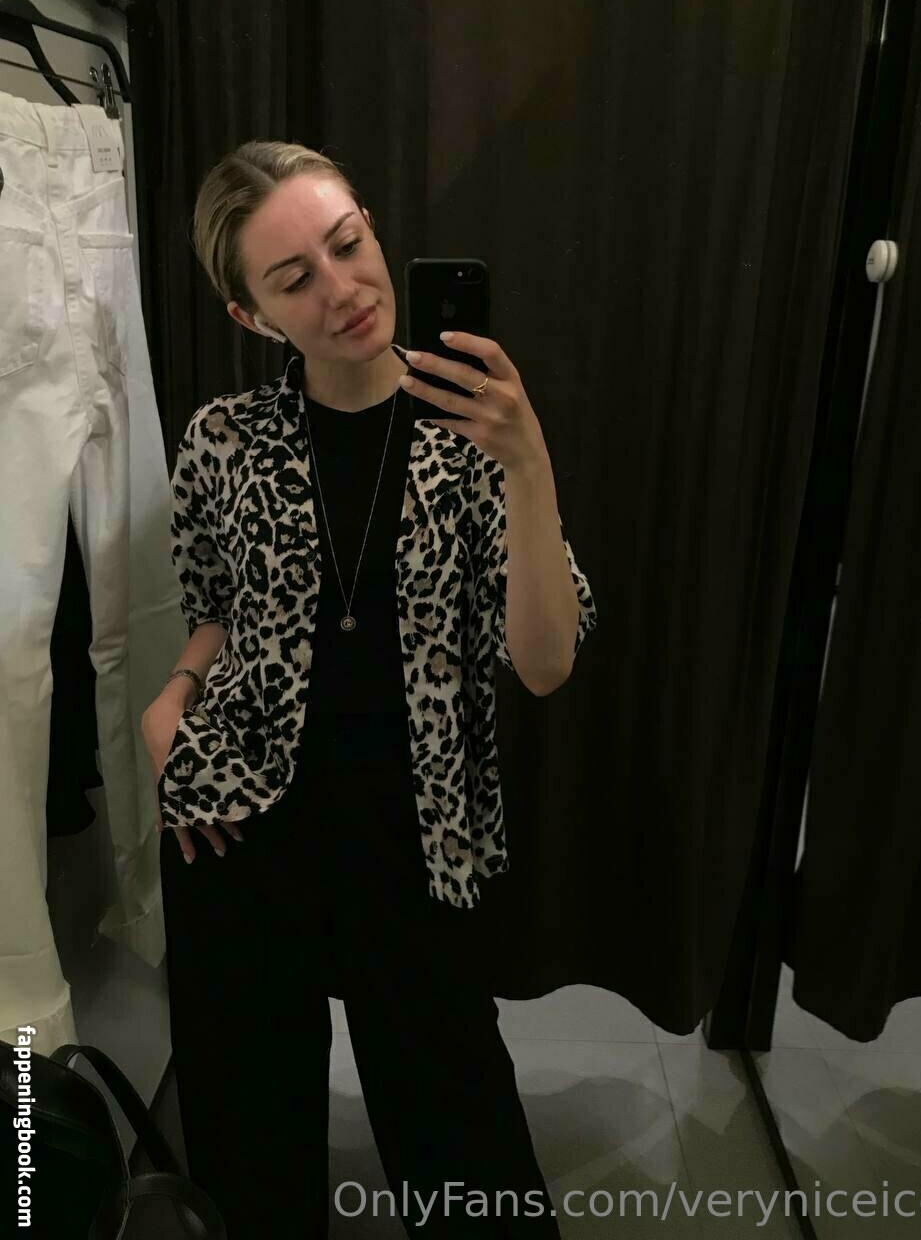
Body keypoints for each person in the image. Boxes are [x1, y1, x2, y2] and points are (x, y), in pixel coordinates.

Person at [142, 140, 597, 1238]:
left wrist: (529, 462)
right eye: (294, 278)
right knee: (250, 1150)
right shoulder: (223, 440)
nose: (343, 289)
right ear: (251, 314)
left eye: (348, 245)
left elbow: (545, 662)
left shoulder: (476, 434)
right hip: (241, 829)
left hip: (416, 837)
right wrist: (173, 696)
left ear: (375, 232)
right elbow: (213, 604)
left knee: (466, 1156)